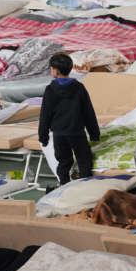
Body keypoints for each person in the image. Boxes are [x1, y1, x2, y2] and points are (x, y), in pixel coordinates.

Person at [38, 53, 99, 186]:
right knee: (84, 161)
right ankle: (85, 186)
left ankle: (64, 186)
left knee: (64, 162)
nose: (50, 70)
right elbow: (88, 112)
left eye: (51, 68)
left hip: (59, 134)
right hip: (77, 133)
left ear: (56, 71)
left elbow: (45, 115)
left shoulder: (50, 90)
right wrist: (94, 133)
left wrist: (43, 136)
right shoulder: (79, 88)